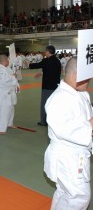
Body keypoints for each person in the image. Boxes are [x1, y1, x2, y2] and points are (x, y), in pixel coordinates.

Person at [44, 57, 93, 210]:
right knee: (79, 196)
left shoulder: (81, 93)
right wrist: (90, 126)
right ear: (76, 76)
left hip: (76, 154)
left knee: (65, 193)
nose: (90, 81)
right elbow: (64, 129)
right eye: (88, 78)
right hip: (67, 157)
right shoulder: (58, 99)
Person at [29, 45, 61, 126]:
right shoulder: (57, 61)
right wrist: (42, 73)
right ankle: (53, 120)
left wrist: (29, 64)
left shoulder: (47, 60)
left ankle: (43, 121)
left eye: (45, 51)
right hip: (56, 86)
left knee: (45, 104)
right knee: (53, 104)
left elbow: (37, 65)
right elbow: (51, 71)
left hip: (47, 87)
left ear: (48, 51)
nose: (45, 52)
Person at [0, 55, 20, 134]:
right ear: (5, 61)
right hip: (2, 92)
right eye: (8, 60)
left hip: (10, 91)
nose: (8, 61)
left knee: (10, 109)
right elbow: (2, 81)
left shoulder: (7, 69)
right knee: (3, 111)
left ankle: (9, 123)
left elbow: (13, 79)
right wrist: (13, 77)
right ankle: (1, 129)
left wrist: (17, 85)